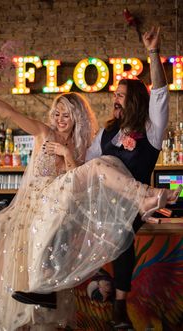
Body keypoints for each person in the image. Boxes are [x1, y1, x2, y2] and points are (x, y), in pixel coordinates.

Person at [0, 84, 182, 331]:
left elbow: (75, 180)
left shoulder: (82, 147)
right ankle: (145, 197)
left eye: (66, 115)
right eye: (56, 114)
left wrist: (67, 153)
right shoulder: (44, 132)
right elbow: (11, 112)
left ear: (76, 117)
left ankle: (55, 291)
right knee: (101, 165)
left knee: (101, 167)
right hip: (40, 203)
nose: (60, 120)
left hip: (58, 207)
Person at [84, 26, 172, 329]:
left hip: (132, 209)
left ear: (134, 99)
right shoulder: (107, 133)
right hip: (102, 205)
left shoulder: (151, 129)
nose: (115, 99)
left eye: (120, 95)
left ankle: (118, 305)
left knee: (121, 228)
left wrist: (152, 52)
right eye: (115, 95)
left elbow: (160, 93)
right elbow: (88, 166)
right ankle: (97, 278)